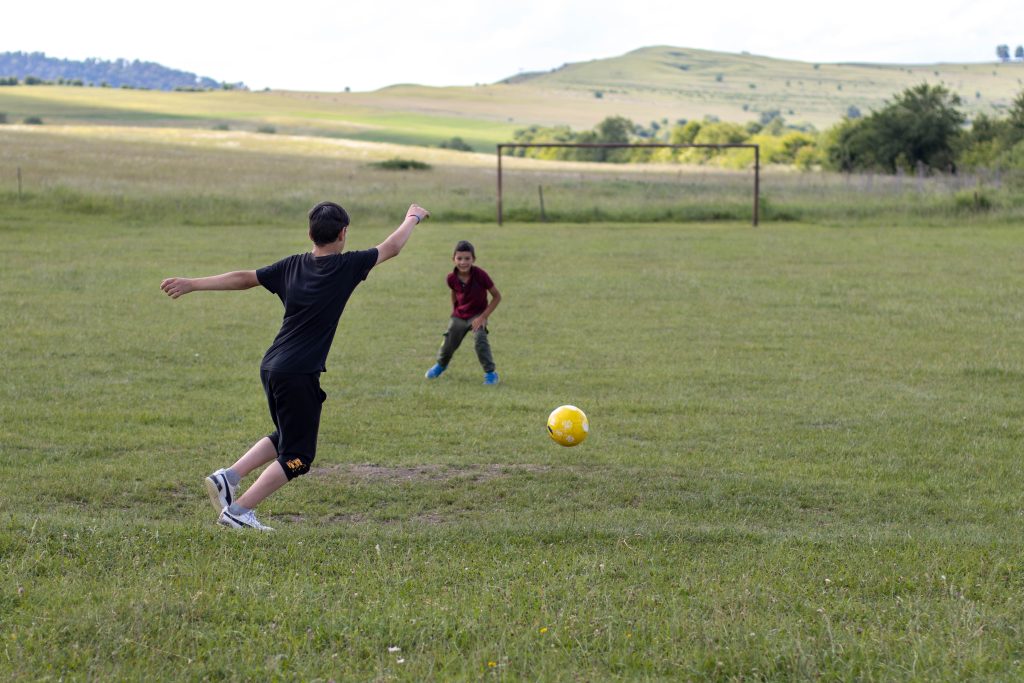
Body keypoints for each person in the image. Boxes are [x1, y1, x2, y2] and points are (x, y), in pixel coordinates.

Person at [161, 201, 430, 531]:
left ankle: (227, 478)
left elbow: (245, 278)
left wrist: (193, 283)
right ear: (343, 233)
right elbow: (392, 247)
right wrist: (412, 217)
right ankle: (239, 512)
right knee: (298, 456)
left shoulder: (291, 265)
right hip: (298, 372)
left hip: (273, 365)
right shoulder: (348, 266)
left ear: (309, 233)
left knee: (287, 434)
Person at [424, 240, 502, 385]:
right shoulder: (451, 278)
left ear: (473, 259)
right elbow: (454, 293)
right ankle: (441, 365)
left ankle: (491, 373)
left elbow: (497, 296)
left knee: (480, 339)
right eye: (459, 258)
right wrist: (455, 311)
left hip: (478, 315)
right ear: (453, 259)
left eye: (467, 258)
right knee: (449, 342)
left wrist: (483, 317)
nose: (463, 262)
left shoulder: (481, 275)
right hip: (460, 315)